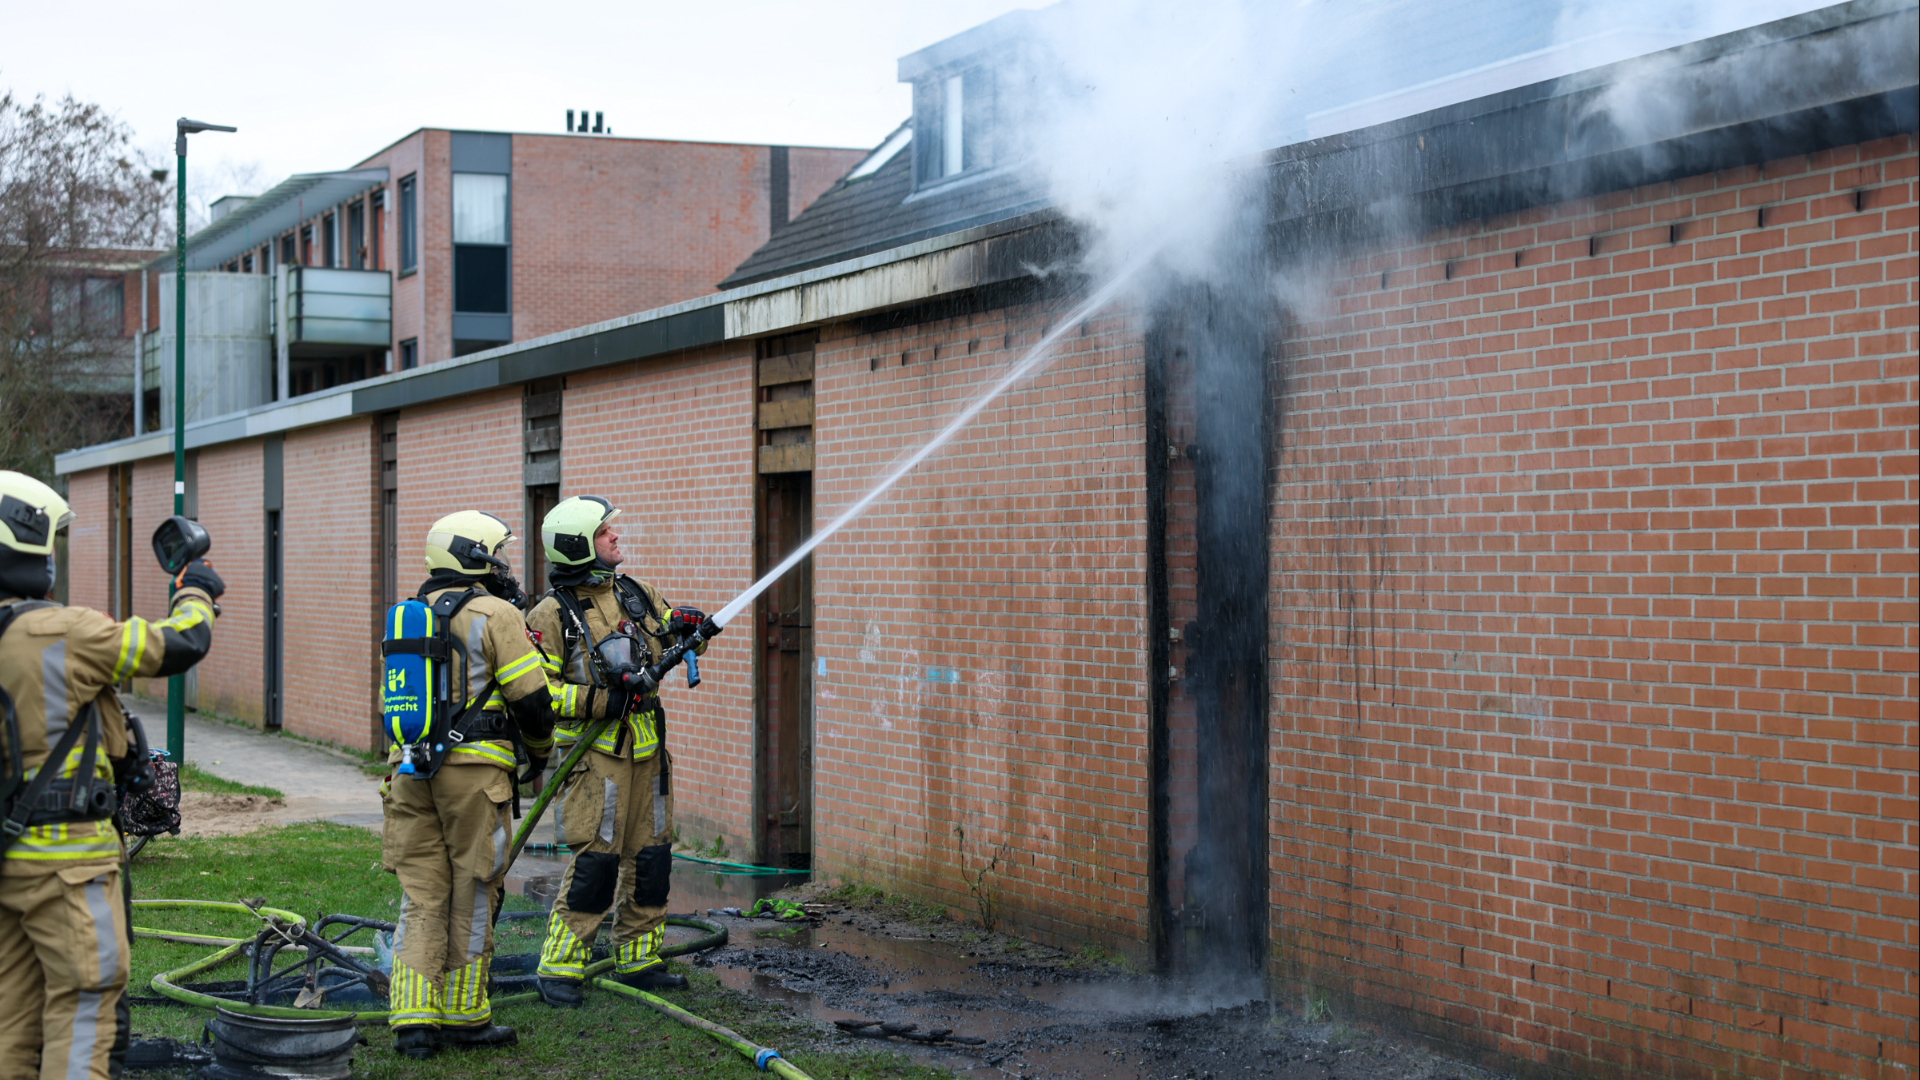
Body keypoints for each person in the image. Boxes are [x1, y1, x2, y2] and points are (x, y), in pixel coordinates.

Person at [0, 471, 222, 1080]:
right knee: (85, 1007)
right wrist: (196, 590)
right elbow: (179, 644)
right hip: (67, 863)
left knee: (13, 1019)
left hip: (7, 858)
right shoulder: (60, 631)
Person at [381, 511, 555, 1059]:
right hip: (475, 776)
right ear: (473, 555)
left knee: (422, 893)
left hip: (408, 772)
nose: (503, 563)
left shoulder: (407, 616)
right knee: (476, 889)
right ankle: (463, 1015)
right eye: (496, 552)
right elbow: (532, 700)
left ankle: (413, 1020)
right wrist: (539, 755)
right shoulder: (496, 613)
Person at [528, 496, 709, 1006]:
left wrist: (690, 629)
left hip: (650, 753)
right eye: (604, 532)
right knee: (597, 863)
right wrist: (604, 700)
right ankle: (560, 968)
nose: (615, 536)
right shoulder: (550, 614)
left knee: (652, 859)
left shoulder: (637, 592)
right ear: (578, 545)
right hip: (596, 761)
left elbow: (677, 638)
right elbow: (540, 693)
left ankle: (639, 960)